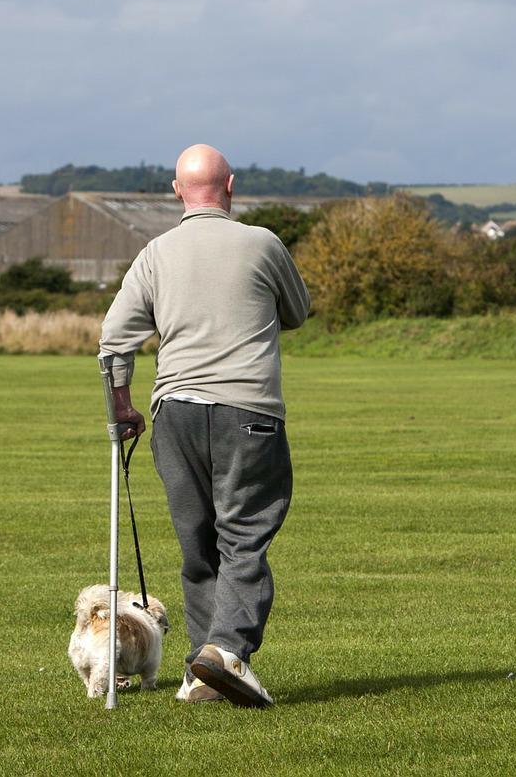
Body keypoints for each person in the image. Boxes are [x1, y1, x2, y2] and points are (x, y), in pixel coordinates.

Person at [98, 143, 310, 708]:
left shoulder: (154, 253)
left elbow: (115, 337)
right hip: (249, 411)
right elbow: (297, 311)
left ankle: (203, 669)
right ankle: (227, 651)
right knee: (244, 536)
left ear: (176, 190)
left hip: (174, 413)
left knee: (198, 544)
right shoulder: (263, 243)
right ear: (231, 187)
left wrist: (121, 406)